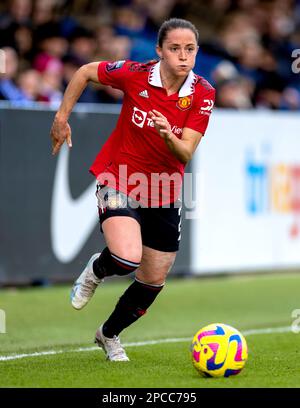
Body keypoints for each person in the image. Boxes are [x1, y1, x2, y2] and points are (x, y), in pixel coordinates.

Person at [50, 18, 215, 362]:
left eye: (190, 49)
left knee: (153, 281)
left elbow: (185, 152)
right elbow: (84, 72)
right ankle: (98, 269)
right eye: (175, 49)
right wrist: (62, 117)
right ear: (159, 51)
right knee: (126, 258)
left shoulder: (203, 94)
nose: (183, 56)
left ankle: (109, 335)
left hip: (164, 189)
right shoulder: (135, 73)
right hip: (120, 177)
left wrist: (168, 133)